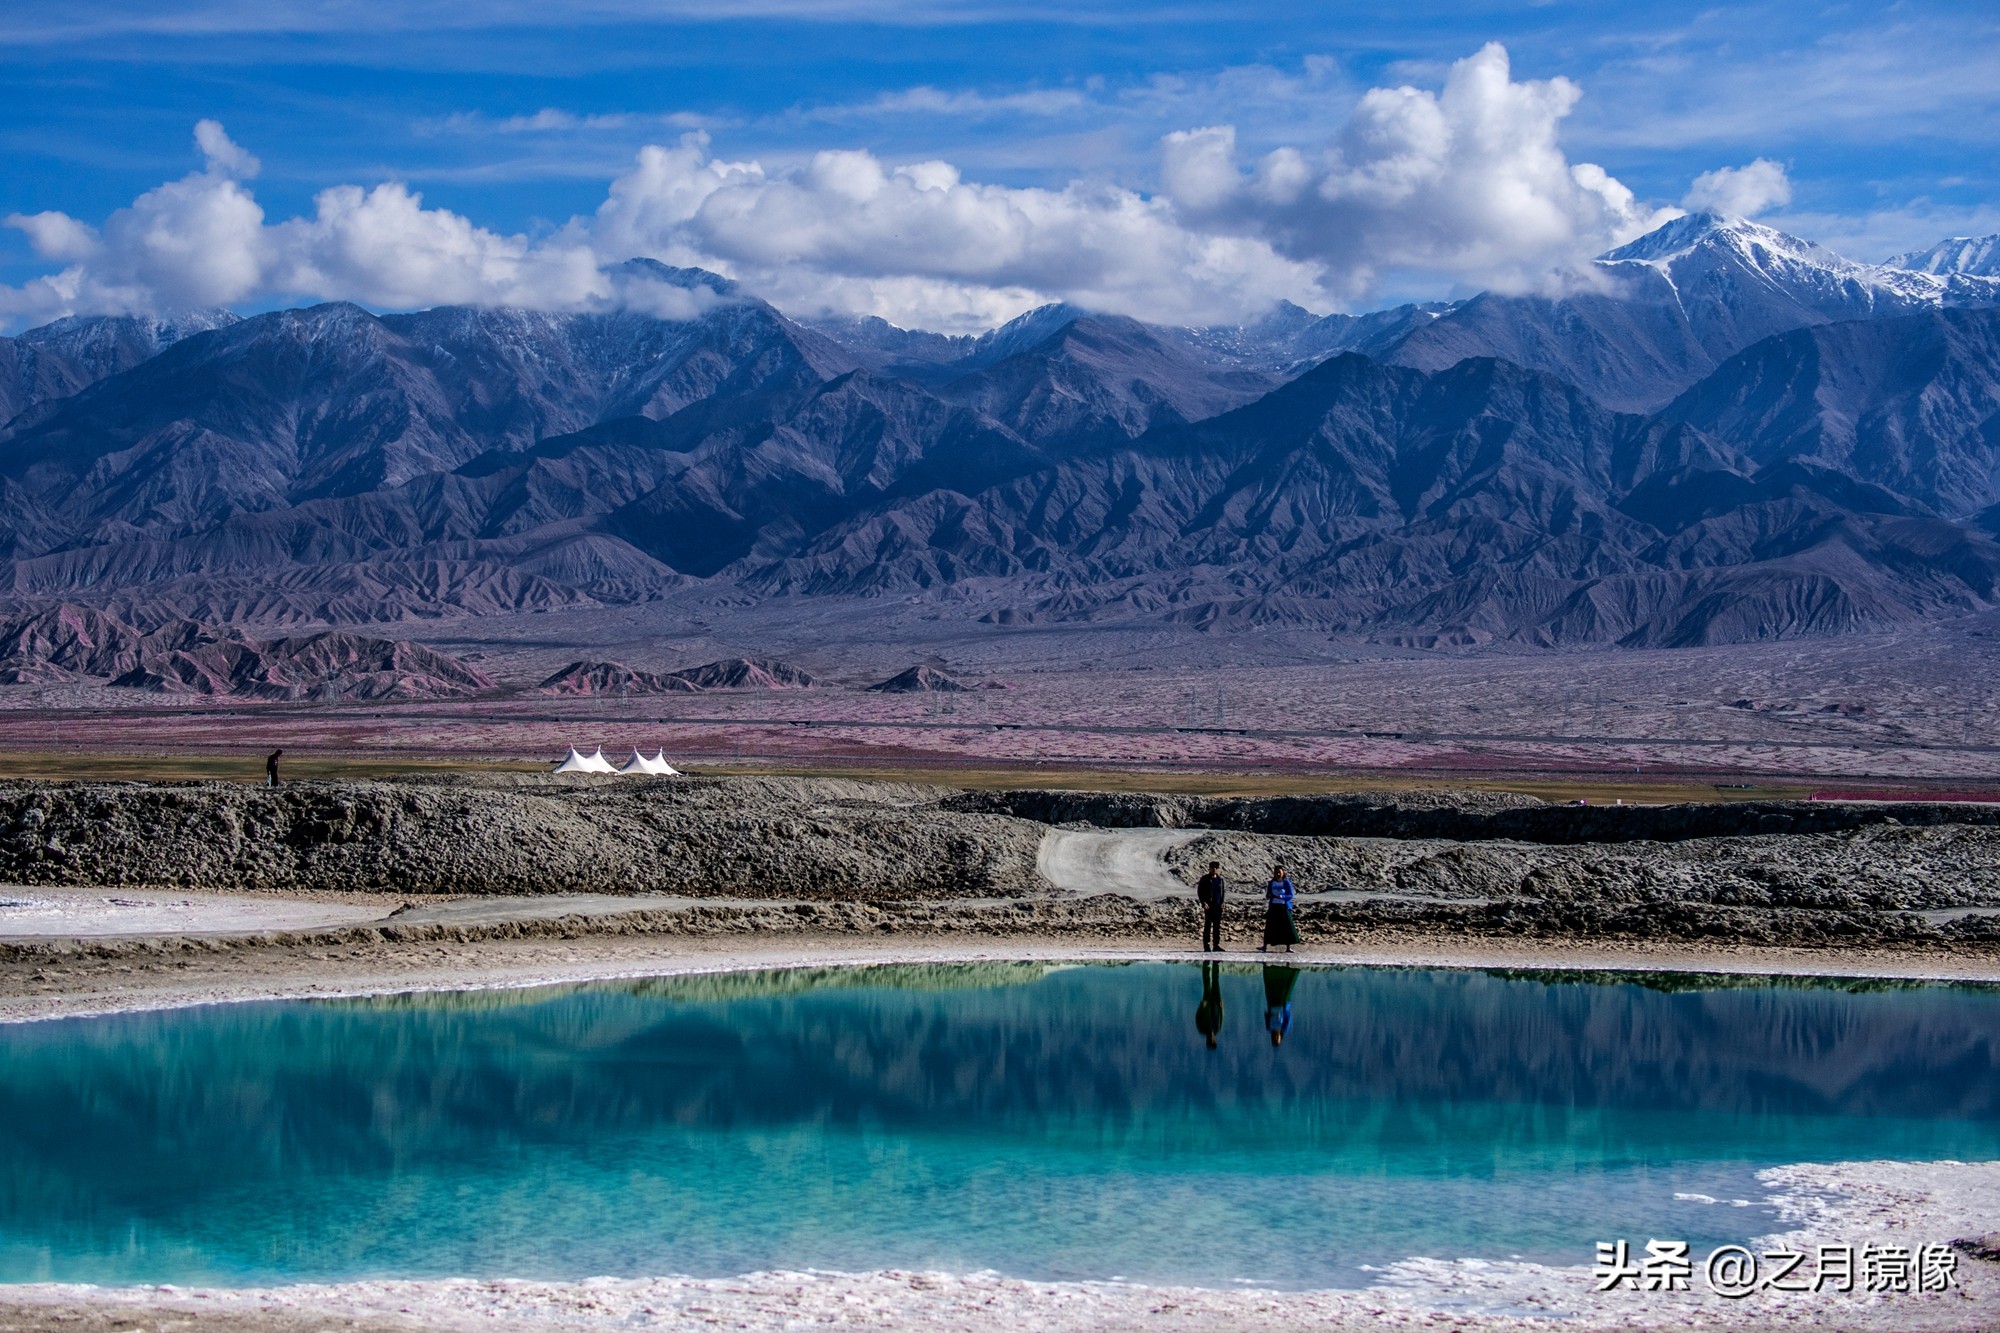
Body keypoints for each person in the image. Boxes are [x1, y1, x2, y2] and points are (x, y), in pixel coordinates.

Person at [1260, 863, 1301, 953]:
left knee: (1287, 926)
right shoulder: (1271, 883)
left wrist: (1282, 897)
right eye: (1276, 872)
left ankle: (1288, 947)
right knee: (1270, 926)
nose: (1278, 874)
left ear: (1283, 873)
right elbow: (1268, 894)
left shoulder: (1286, 882)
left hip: (1283, 906)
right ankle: (1265, 946)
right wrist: (1269, 896)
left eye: (1279, 872)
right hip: (1274, 906)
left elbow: (1290, 895)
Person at [1263, 964, 1298, 1047]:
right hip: (1283, 1004)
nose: (1276, 1037)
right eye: (1277, 1039)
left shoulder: (1269, 1028)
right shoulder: (1284, 1029)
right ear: (1280, 1038)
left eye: (1274, 1038)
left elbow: (1266, 1015)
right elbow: (1288, 1016)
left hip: (1273, 1004)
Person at [1195, 860, 1226, 952]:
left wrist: (1223, 902)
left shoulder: (1220, 880)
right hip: (1209, 906)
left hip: (1218, 906)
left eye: (1216, 868)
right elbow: (1200, 891)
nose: (1214, 869)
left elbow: (1222, 892)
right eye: (1212, 868)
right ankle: (1206, 945)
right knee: (1208, 926)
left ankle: (1216, 945)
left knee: (1217, 926)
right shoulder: (1205, 879)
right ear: (1209, 868)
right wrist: (1203, 902)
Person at [1195, 960, 1224, 1050]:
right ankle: (1215, 964)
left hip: (1207, 1005)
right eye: (1213, 1040)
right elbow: (1221, 1017)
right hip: (1215, 1004)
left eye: (1210, 1041)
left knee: (1207, 982)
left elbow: (1198, 1017)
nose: (1211, 1039)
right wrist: (1221, 1007)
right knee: (1216, 981)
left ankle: (1206, 964)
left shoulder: (1202, 1029)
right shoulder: (1217, 1029)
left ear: (1207, 1041)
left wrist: (1201, 1006)